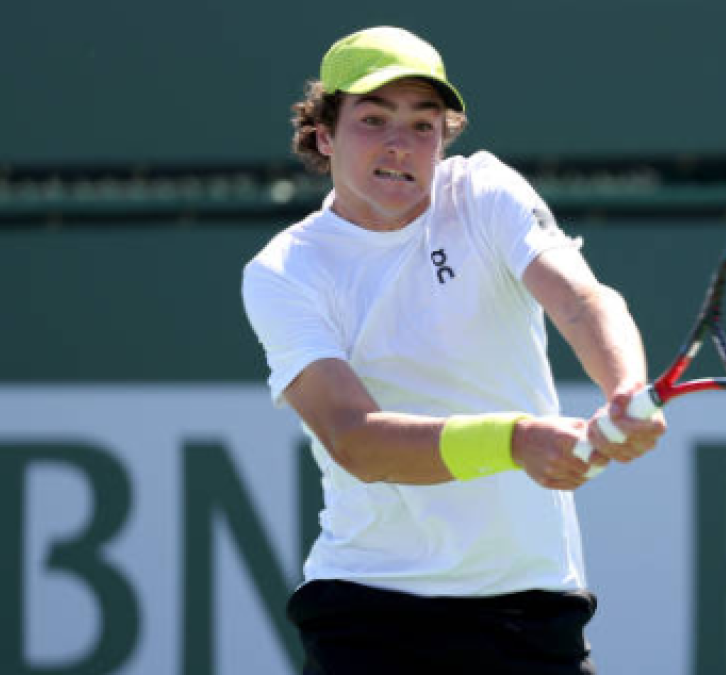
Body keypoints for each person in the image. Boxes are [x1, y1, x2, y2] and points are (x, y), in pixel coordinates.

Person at [241, 25, 666, 675]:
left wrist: (626, 388)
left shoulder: (485, 194)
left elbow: (582, 300)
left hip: (534, 608)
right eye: (373, 119)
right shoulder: (286, 270)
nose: (399, 144)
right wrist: (514, 440)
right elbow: (354, 438)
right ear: (324, 135)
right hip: (370, 614)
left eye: (421, 124)